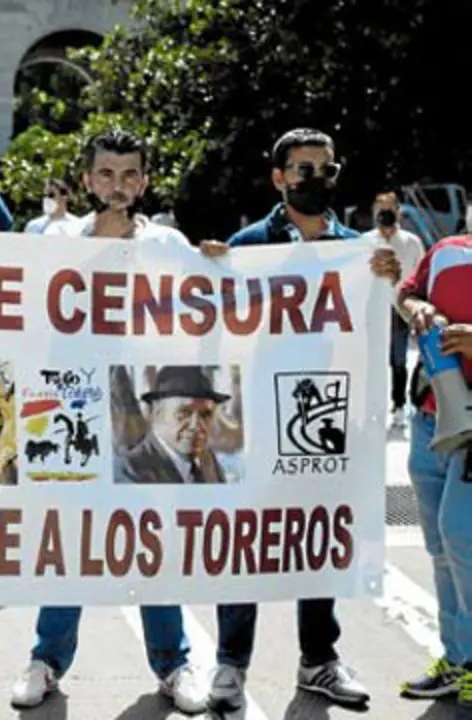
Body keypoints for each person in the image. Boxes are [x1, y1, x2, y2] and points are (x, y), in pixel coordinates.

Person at [200, 128, 401, 712]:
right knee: (247, 543)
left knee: (317, 538)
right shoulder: (248, 244)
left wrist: (385, 280)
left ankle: (319, 660)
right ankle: (231, 665)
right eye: (303, 169)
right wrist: (210, 270)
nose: (316, 178)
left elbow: (369, 333)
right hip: (256, 418)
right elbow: (212, 331)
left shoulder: (357, 250)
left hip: (323, 415)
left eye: (325, 168)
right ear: (279, 178)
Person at [11, 129, 208, 715]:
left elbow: (212, 305)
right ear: (86, 180)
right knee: (68, 545)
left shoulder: (170, 243)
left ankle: (173, 665)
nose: (117, 186)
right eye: (105, 175)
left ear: (144, 181)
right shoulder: (54, 239)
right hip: (73, 415)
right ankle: (47, 660)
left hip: (144, 418)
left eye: (129, 175)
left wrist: (224, 266)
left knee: (150, 542)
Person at [394, 234, 472, 710]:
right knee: (441, 550)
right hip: (430, 419)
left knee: (461, 541)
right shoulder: (446, 249)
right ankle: (455, 658)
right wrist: (417, 307)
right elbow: (406, 292)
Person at [362, 189, 425, 427]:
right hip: (373, 308)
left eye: (390, 209)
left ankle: (399, 405)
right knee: (373, 360)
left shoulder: (411, 242)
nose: (386, 214)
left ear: (398, 211)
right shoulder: (364, 242)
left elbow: (421, 274)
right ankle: (373, 407)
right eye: (381, 209)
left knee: (398, 360)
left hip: (398, 307)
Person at [115, 366, 230, 484]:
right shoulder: (129, 469)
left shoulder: (209, 465)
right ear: (157, 413)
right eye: (184, 413)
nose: (195, 425)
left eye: (205, 414)